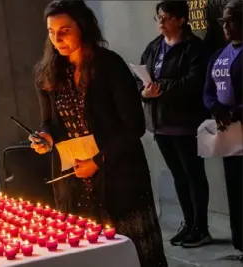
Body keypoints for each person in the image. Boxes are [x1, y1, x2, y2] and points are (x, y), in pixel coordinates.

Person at [31, 1, 167, 266]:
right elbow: (48, 122)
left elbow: (134, 126)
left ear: (83, 27)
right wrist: (45, 137)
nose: (57, 39)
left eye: (65, 30)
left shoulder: (109, 65)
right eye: (51, 32)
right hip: (73, 178)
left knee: (129, 248)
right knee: (88, 250)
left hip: (117, 172)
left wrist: (98, 161)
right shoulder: (47, 72)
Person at [137, 1, 212, 248]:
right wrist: (143, 93)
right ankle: (188, 223)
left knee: (193, 176)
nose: (161, 21)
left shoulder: (194, 48)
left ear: (181, 20)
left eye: (167, 17)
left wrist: (160, 89)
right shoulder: (153, 47)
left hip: (186, 123)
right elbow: (140, 79)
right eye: (159, 16)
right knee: (179, 176)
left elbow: (193, 83)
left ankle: (201, 228)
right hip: (160, 123)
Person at [203, 0, 242, 260]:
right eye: (222, 21)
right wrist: (216, 109)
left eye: (230, 19)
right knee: (236, 189)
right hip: (230, 135)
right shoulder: (218, 55)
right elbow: (207, 91)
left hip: (239, 122)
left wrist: (235, 112)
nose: (225, 25)